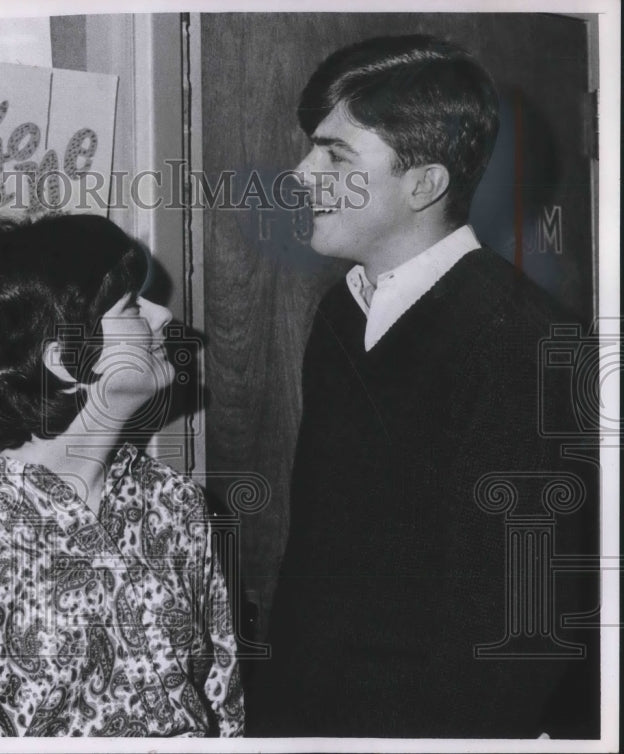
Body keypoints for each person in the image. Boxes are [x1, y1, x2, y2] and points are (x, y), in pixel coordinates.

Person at [246, 35, 598, 737]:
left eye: (335, 155)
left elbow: (514, 634)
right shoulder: (343, 311)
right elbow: (321, 558)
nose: (300, 173)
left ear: (424, 183)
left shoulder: (523, 343)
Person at [0, 213, 244, 737]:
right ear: (65, 362)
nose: (164, 315)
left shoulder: (176, 505)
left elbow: (223, 701)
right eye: (130, 307)